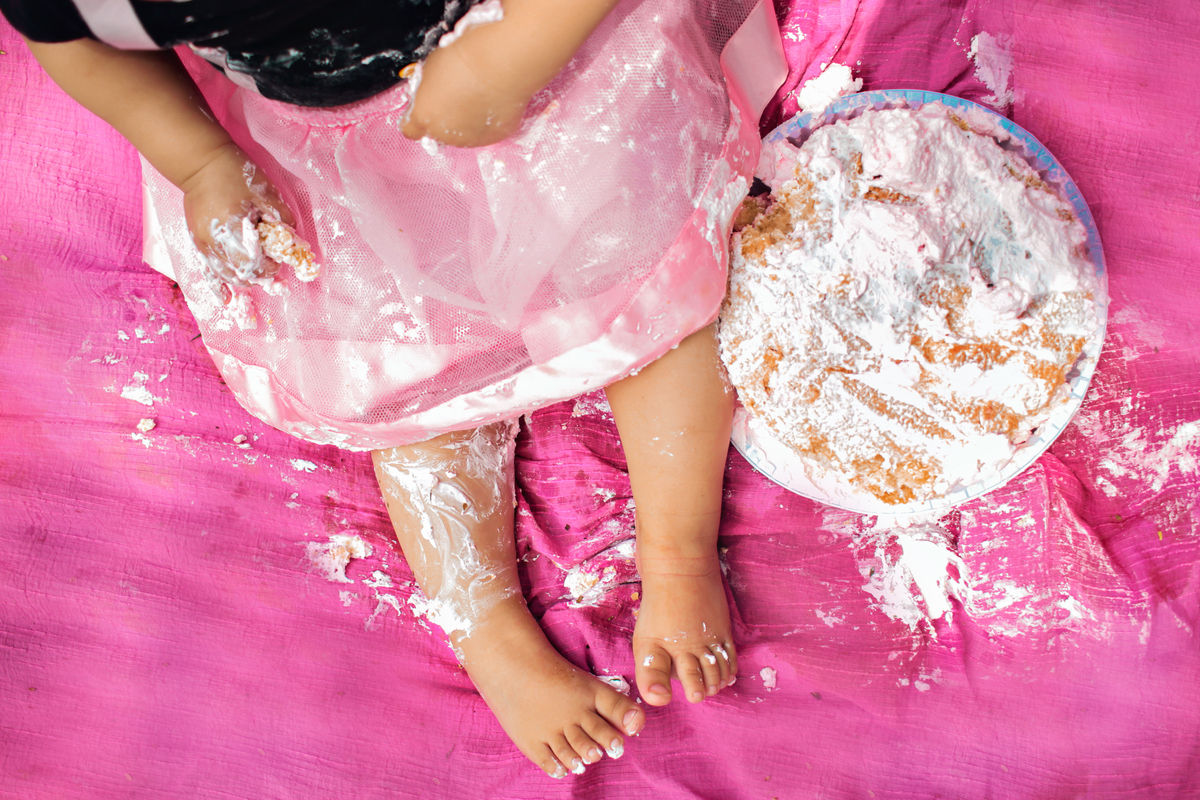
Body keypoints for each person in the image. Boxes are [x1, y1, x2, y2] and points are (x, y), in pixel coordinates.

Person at [3, 0, 783, 778]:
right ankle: (489, 630)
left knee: (655, 283)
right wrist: (196, 158)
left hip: (555, 69)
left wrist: (511, 51)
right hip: (332, 155)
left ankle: (677, 555)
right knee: (403, 375)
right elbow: (76, 43)